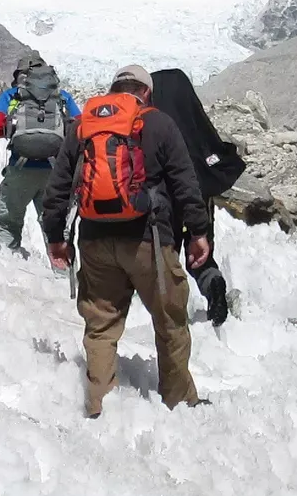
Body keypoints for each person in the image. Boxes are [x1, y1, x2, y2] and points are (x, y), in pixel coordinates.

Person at [41, 64, 210, 418]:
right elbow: (185, 183)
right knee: (170, 323)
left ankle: (100, 406)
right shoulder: (160, 123)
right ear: (146, 92)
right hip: (150, 241)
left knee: (100, 327)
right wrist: (198, 233)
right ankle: (180, 403)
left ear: (114, 88)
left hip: (95, 243)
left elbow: (57, 188)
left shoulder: (84, 126)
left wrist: (56, 238)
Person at [150, 68, 246, 327]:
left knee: (164, 255)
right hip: (198, 199)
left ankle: (170, 311)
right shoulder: (192, 118)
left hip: (165, 200)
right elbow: (216, 149)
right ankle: (212, 283)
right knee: (200, 254)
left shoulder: (153, 121)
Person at [0, 53, 81, 255]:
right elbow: (81, 128)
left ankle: (9, 264)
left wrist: (12, 131)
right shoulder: (62, 97)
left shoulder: (12, 95)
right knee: (55, 227)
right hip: (55, 173)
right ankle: (61, 275)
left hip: (20, 168)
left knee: (10, 221)